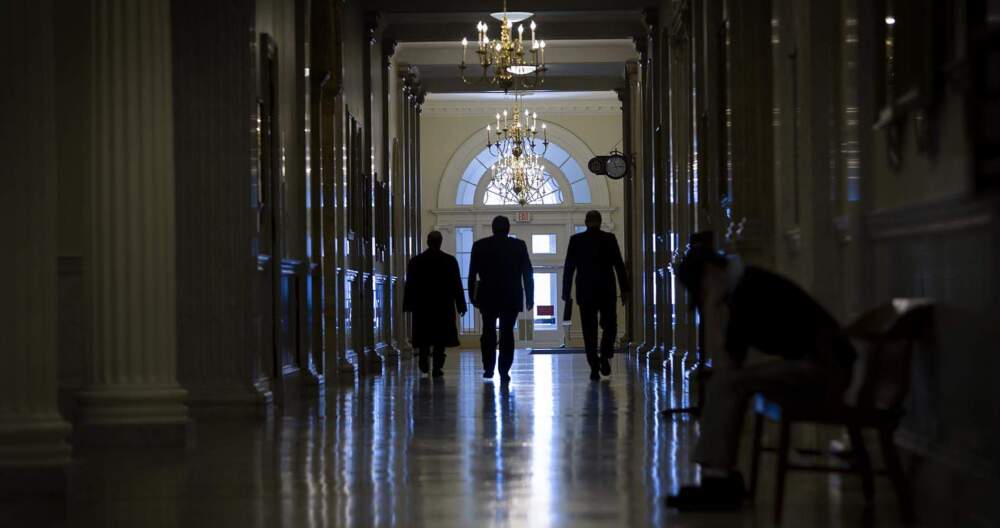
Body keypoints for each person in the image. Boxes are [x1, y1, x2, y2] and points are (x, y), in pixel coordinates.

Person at [665, 245, 855, 511]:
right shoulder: (746, 284)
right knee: (725, 382)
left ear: (710, 274)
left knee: (726, 383)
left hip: (824, 372)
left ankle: (718, 479)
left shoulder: (748, 291)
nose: (704, 297)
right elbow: (731, 361)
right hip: (820, 366)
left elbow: (727, 363)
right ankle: (718, 477)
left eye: (701, 290)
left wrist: (709, 309)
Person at [562, 210, 629, 381]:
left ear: (586, 222)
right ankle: (605, 355)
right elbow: (619, 265)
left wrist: (566, 292)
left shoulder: (576, 240)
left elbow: (569, 268)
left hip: (585, 292)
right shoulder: (609, 239)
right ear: (600, 222)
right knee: (610, 326)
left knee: (588, 331)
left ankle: (593, 366)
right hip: (606, 290)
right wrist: (625, 289)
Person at [468, 216, 534, 384]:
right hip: (511, 296)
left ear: (492, 228)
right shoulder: (518, 245)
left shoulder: (480, 245)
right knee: (507, 333)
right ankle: (504, 370)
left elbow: (472, 274)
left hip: (488, 296)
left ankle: (488, 368)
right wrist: (530, 297)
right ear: (508, 228)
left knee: (488, 331)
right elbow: (527, 272)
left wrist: (472, 296)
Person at [402, 231, 467, 378]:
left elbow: (410, 285)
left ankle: (423, 359)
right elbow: (457, 285)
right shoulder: (450, 261)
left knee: (424, 335)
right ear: (441, 242)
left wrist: (408, 304)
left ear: (427, 241)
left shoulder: (416, 261)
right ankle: (437, 367)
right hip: (443, 306)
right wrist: (461, 305)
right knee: (440, 339)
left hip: (422, 307)